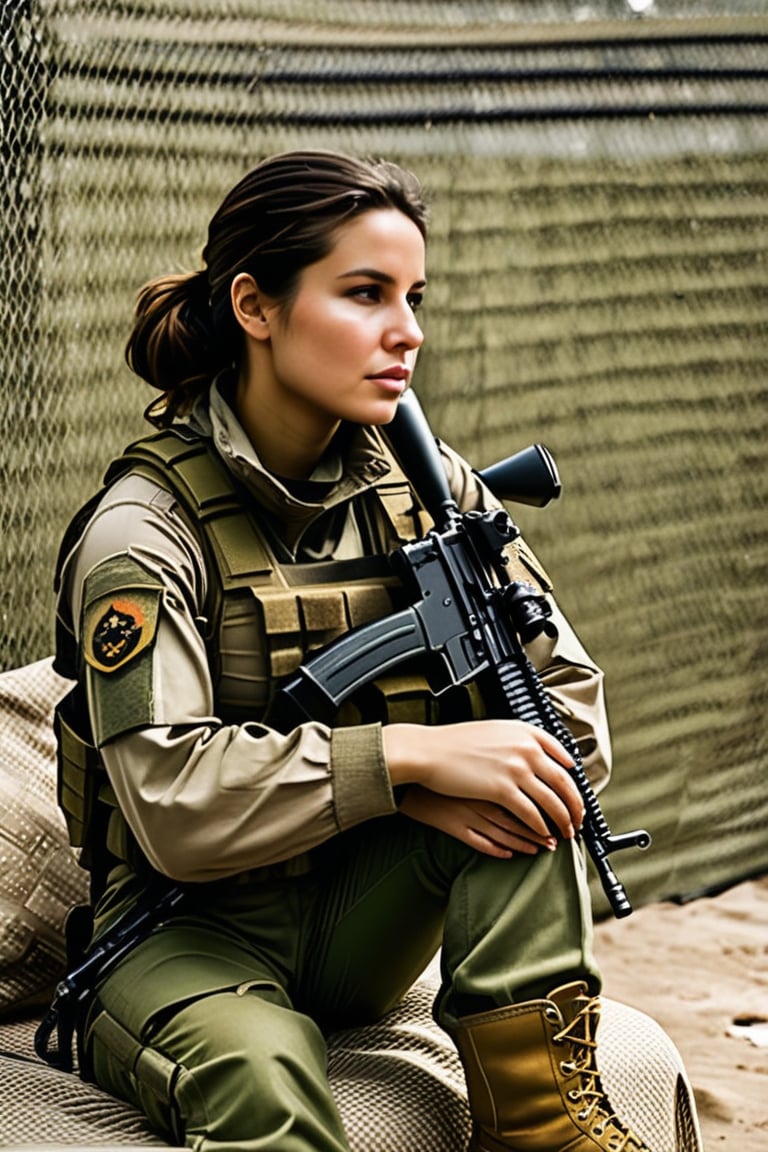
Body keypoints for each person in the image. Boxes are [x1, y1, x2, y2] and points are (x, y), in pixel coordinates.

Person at [53, 149, 650, 1152]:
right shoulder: (145, 532)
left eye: (414, 296)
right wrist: (411, 764)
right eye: (365, 294)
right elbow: (174, 811)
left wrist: (471, 775)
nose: (407, 332)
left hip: (360, 920)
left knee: (530, 785)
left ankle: (546, 1127)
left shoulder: (436, 490)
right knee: (260, 1078)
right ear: (256, 305)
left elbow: (569, 716)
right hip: (187, 931)